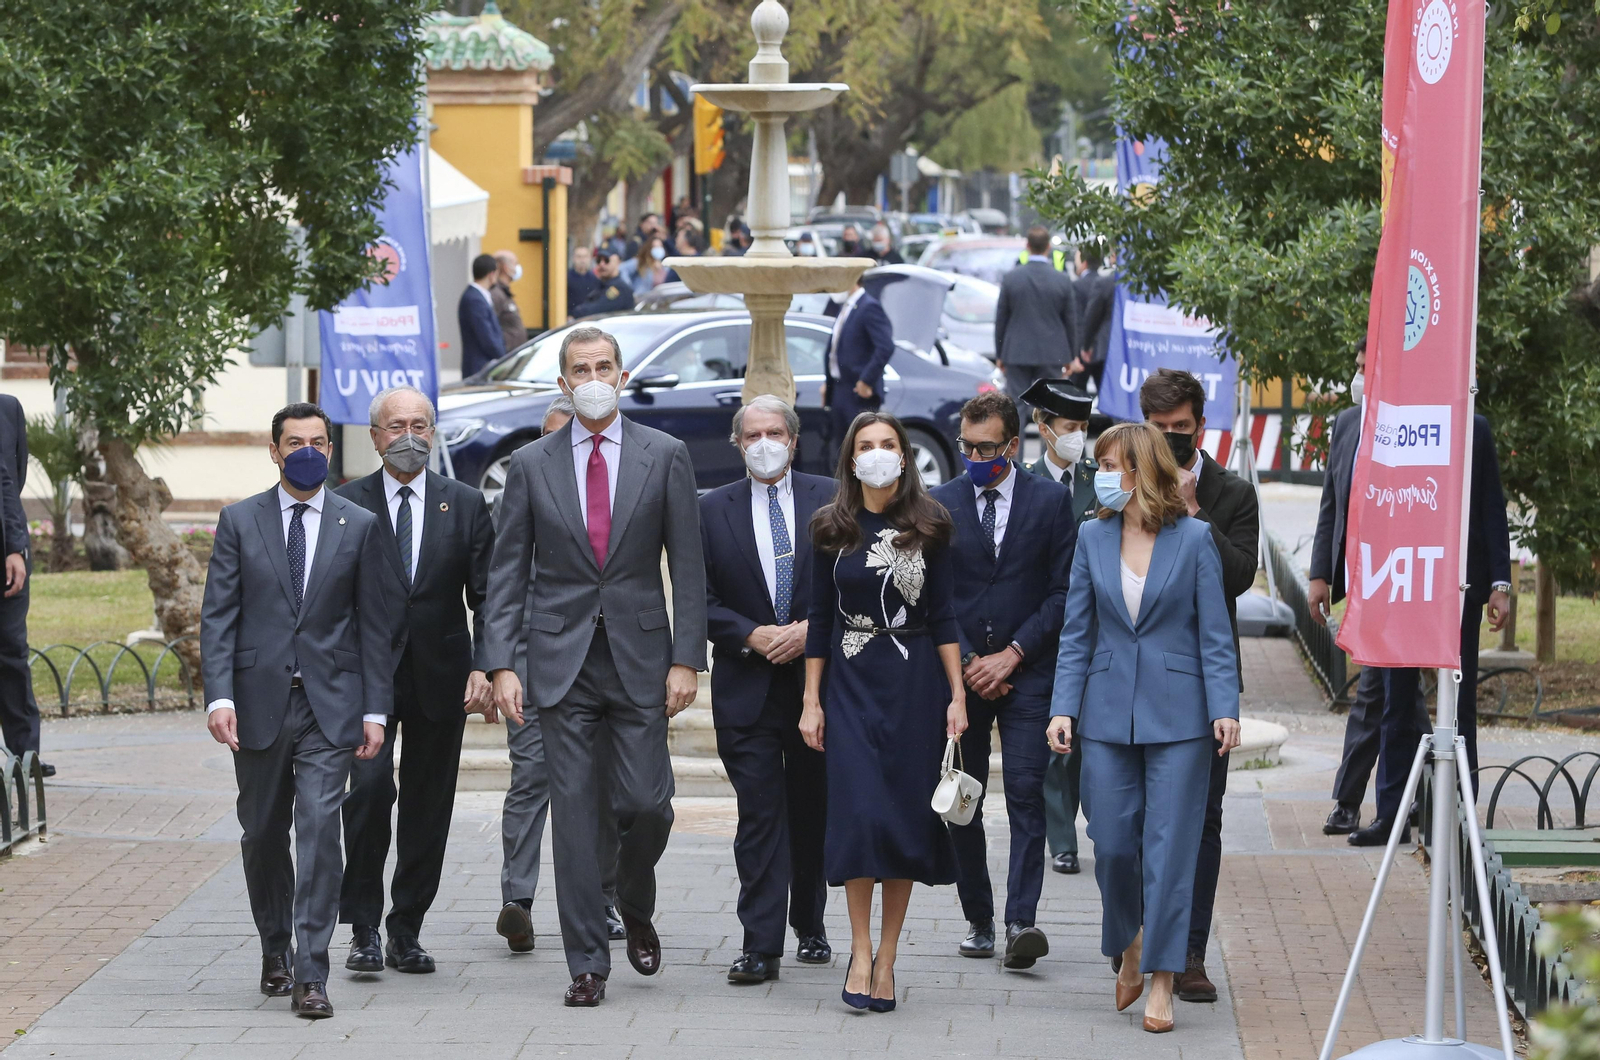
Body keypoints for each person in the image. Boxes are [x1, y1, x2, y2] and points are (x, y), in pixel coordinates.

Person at [480, 326, 706, 1007]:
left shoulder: (665, 454)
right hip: (559, 662)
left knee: (648, 805)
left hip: (641, 658)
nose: (594, 378)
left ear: (623, 375)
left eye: (604, 366)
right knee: (575, 818)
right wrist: (501, 664)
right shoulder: (531, 464)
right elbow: (506, 572)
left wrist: (687, 659)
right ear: (564, 383)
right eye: (581, 369)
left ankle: (633, 901)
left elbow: (687, 565)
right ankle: (587, 964)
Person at [199, 402, 392, 1020]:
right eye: (294, 442)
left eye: (317, 442)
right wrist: (219, 696)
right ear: (275, 451)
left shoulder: (359, 525)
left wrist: (376, 710)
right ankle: (274, 947)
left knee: (319, 831)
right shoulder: (239, 520)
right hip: (258, 703)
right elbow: (218, 616)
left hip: (329, 706)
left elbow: (375, 625)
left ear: (330, 450)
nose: (307, 451)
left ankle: (312, 972)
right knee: (262, 834)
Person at [1047, 421, 1240, 1035]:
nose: (1101, 475)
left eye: (1111, 465)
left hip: (1182, 717)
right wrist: (1062, 707)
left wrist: (1225, 707)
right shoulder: (1091, 536)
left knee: (1171, 849)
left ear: (1142, 469)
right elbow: (1077, 631)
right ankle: (1129, 941)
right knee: (1111, 842)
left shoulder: (1196, 539)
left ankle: (1161, 979)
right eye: (1100, 464)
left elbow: (1215, 633)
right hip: (1105, 713)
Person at [801, 411, 966, 1014]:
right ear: (851, 458)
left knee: (902, 821)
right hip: (849, 680)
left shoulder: (930, 523)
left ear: (904, 455)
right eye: (866, 444)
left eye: (888, 444)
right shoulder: (830, 526)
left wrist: (957, 694)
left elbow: (944, 615)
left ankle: (888, 956)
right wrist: (811, 700)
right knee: (858, 815)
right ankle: (860, 949)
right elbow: (820, 618)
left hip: (915, 682)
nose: (877, 453)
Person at [1311, 369, 1512, 848]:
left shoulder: (1472, 427)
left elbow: (1491, 507)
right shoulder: (1366, 425)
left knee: (1459, 704)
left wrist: (1499, 584)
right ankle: (1392, 815)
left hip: (1455, 584)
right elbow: (1337, 503)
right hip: (1395, 580)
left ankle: (1460, 812)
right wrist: (1325, 572)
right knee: (1394, 703)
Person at [334, 386, 495, 977]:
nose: (409, 436)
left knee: (429, 806)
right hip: (366, 680)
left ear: (434, 432)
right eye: (396, 426)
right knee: (369, 792)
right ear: (375, 437)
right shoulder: (345, 503)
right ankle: (362, 928)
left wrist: (487, 664)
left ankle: (406, 929)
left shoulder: (466, 503)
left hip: (441, 675)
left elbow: (489, 595)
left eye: (420, 425)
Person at [929, 393, 1075, 970]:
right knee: (961, 799)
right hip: (962, 678)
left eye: (986, 449)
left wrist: (1013, 654)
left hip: (1027, 673)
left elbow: (1062, 591)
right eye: (966, 447)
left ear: (1013, 445)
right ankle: (980, 918)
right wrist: (969, 661)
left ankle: (1021, 922)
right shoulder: (941, 503)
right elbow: (935, 596)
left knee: (1025, 795)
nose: (974, 458)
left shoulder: (1050, 501)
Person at [701, 396, 834, 984]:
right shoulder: (711, 509)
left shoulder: (832, 498)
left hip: (816, 689)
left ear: (794, 440)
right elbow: (697, 598)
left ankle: (810, 922)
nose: (764, 444)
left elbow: (853, 585)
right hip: (746, 686)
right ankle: (760, 944)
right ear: (737, 444)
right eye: (752, 435)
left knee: (811, 813)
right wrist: (749, 634)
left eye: (775, 433)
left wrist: (811, 630)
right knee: (758, 815)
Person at [487, 397, 627, 955]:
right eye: (553, 435)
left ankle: (604, 898)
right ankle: (518, 902)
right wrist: (499, 665)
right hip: (534, 660)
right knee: (531, 776)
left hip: (604, 661)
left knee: (603, 786)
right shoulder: (528, 482)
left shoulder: (614, 488)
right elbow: (503, 584)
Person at [1138, 368, 1260, 1004]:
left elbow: (1238, 577)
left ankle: (1188, 953)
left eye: (1180, 429)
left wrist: (1192, 511)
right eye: (1157, 429)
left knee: (1201, 820)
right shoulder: (1122, 486)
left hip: (1202, 681)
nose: (1169, 439)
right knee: (1131, 820)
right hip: (1135, 680)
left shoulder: (1231, 493)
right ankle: (1139, 938)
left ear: (1201, 428)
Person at [1309, 342, 1399, 838]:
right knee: (1394, 693)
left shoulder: (1406, 423)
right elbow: (1330, 503)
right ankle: (1412, 797)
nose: (1358, 376)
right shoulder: (1347, 423)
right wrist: (1319, 574)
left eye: (1367, 367)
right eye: (1357, 366)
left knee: (1378, 689)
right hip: (1361, 577)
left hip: (1401, 577)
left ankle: (1353, 801)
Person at [1020, 379, 1097, 877]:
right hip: (1045, 629)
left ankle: (1097, 826)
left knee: (1091, 736)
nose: (1077, 437)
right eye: (1068, 427)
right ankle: (1062, 838)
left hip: (1094, 628)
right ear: (1043, 428)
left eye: (1083, 427)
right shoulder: (1025, 483)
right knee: (1056, 740)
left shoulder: (1100, 480)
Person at [0, 393, 46, 776]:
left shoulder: (7, 408)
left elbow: (10, 479)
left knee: (12, 650)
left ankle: (25, 756)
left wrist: (14, 546)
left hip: (8, 551)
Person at [995, 226, 1081, 422]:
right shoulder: (1062, 280)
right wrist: (1071, 356)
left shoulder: (1011, 278)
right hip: (1052, 352)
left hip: (1016, 351)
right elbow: (1071, 321)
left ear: (1027, 246)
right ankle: (1048, 443)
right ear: (1048, 247)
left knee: (1016, 406)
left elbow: (1001, 319)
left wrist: (1000, 354)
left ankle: (1016, 443)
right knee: (1049, 406)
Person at [823, 279, 895, 463]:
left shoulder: (868, 306)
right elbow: (837, 348)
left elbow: (885, 346)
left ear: (852, 277)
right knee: (842, 452)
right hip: (840, 388)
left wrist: (866, 380)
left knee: (860, 451)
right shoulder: (846, 307)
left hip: (857, 393)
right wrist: (829, 383)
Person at [1069, 244, 1114, 391]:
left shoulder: (1077, 285)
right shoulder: (1108, 284)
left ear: (1084, 262)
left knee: (1076, 394)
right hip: (1104, 349)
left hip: (1084, 350)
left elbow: (1077, 321)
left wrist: (1080, 349)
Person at [458, 253, 505, 378]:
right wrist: (503, 358)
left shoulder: (478, 296)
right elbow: (486, 336)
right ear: (491, 275)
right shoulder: (474, 299)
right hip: (479, 368)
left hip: (482, 365)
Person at [571, 250, 635, 319]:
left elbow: (594, 311)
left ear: (617, 262)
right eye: (598, 261)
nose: (601, 264)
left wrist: (577, 311)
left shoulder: (620, 288)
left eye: (606, 260)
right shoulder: (600, 284)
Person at [491, 250, 528, 351]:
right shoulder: (496, 294)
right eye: (515, 263)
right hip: (505, 354)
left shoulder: (504, 293)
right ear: (505, 268)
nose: (518, 268)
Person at [568, 246, 601, 318]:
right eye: (579, 257)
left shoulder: (595, 279)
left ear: (590, 258)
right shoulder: (566, 278)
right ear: (573, 258)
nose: (582, 260)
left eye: (585, 256)